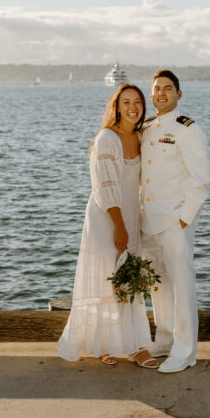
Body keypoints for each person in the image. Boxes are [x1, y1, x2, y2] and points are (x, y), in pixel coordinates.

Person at [57, 84, 160, 369]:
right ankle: (102, 344)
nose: (133, 107)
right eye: (126, 102)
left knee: (129, 280)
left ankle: (136, 345)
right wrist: (119, 226)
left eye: (138, 102)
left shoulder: (140, 136)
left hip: (131, 216)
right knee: (107, 277)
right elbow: (104, 186)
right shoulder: (107, 138)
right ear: (116, 106)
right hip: (107, 217)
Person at [140, 70, 210, 373]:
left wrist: (184, 220)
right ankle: (165, 338)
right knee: (159, 285)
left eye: (168, 89)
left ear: (179, 94)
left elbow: (202, 180)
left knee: (182, 286)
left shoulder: (187, 129)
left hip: (174, 221)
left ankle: (185, 351)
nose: (161, 94)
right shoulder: (147, 127)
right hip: (149, 220)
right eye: (157, 89)